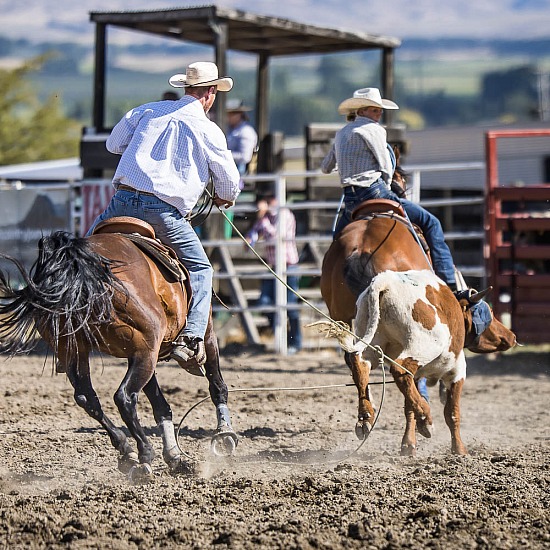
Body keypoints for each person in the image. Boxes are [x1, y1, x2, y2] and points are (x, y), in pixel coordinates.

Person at [86, 61, 242, 370]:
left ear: (186, 87)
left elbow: (114, 144)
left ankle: (66, 327)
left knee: (81, 257)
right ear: (211, 93)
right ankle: (192, 339)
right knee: (200, 269)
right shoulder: (208, 129)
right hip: (164, 213)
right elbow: (229, 183)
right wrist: (224, 198)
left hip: (121, 203)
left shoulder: (146, 111)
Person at [321, 87, 458, 291]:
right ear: (361, 111)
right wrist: (386, 187)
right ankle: (450, 285)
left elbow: (325, 167)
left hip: (350, 200)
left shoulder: (341, 134)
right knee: (431, 223)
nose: (379, 113)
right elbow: (386, 165)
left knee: (337, 242)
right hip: (375, 192)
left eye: (379, 110)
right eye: (374, 110)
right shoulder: (375, 130)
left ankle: (332, 286)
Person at [245, 195, 302, 353]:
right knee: (264, 303)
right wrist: (250, 238)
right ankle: (286, 337)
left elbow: (277, 237)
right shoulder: (266, 217)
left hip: (289, 266)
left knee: (290, 306)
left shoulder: (286, 215)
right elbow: (253, 234)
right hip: (273, 267)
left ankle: (295, 343)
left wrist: (262, 220)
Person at [226, 99, 258, 176]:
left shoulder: (246, 131)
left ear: (239, 114)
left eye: (231, 113)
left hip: (240, 174)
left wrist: (223, 154)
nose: (228, 116)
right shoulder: (230, 129)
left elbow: (245, 157)